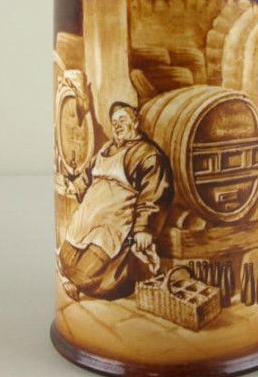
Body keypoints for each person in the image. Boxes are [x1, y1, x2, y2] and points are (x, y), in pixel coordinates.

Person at [58, 101, 173, 300]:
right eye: (114, 122)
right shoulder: (106, 148)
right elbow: (88, 174)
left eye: (122, 119)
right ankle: (70, 279)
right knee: (66, 258)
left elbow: (154, 194)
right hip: (88, 217)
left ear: (135, 123)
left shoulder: (147, 154)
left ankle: (82, 283)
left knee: (89, 272)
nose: (117, 125)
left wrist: (144, 228)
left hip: (113, 222)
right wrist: (74, 186)